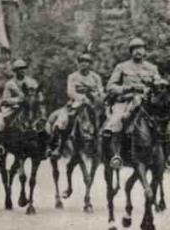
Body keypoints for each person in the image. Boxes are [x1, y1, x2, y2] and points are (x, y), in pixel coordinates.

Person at [102, 37, 163, 168]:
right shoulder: (122, 67)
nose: (138, 51)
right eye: (135, 49)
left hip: (146, 102)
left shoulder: (152, 68)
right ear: (131, 51)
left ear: (145, 51)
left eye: (141, 48)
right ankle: (117, 155)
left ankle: (164, 155)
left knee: (165, 121)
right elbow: (110, 86)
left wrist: (157, 84)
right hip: (126, 101)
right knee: (116, 120)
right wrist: (127, 88)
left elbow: (159, 85)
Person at [48, 53, 104, 158]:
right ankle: (59, 146)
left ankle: (102, 144)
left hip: (93, 102)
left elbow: (101, 91)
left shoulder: (96, 77)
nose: (84, 64)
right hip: (76, 102)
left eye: (87, 62)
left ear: (90, 64)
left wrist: (95, 95)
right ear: (78, 64)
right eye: (82, 62)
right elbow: (70, 92)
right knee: (63, 119)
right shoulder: (73, 76)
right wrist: (81, 98)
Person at [0, 59, 45, 155]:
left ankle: (44, 148)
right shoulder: (10, 84)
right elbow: (5, 99)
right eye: (19, 69)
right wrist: (18, 100)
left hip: (29, 107)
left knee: (42, 122)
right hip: (13, 108)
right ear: (15, 71)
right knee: (1, 122)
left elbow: (39, 93)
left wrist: (38, 98)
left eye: (23, 68)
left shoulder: (32, 82)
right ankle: (0, 145)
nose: (22, 71)